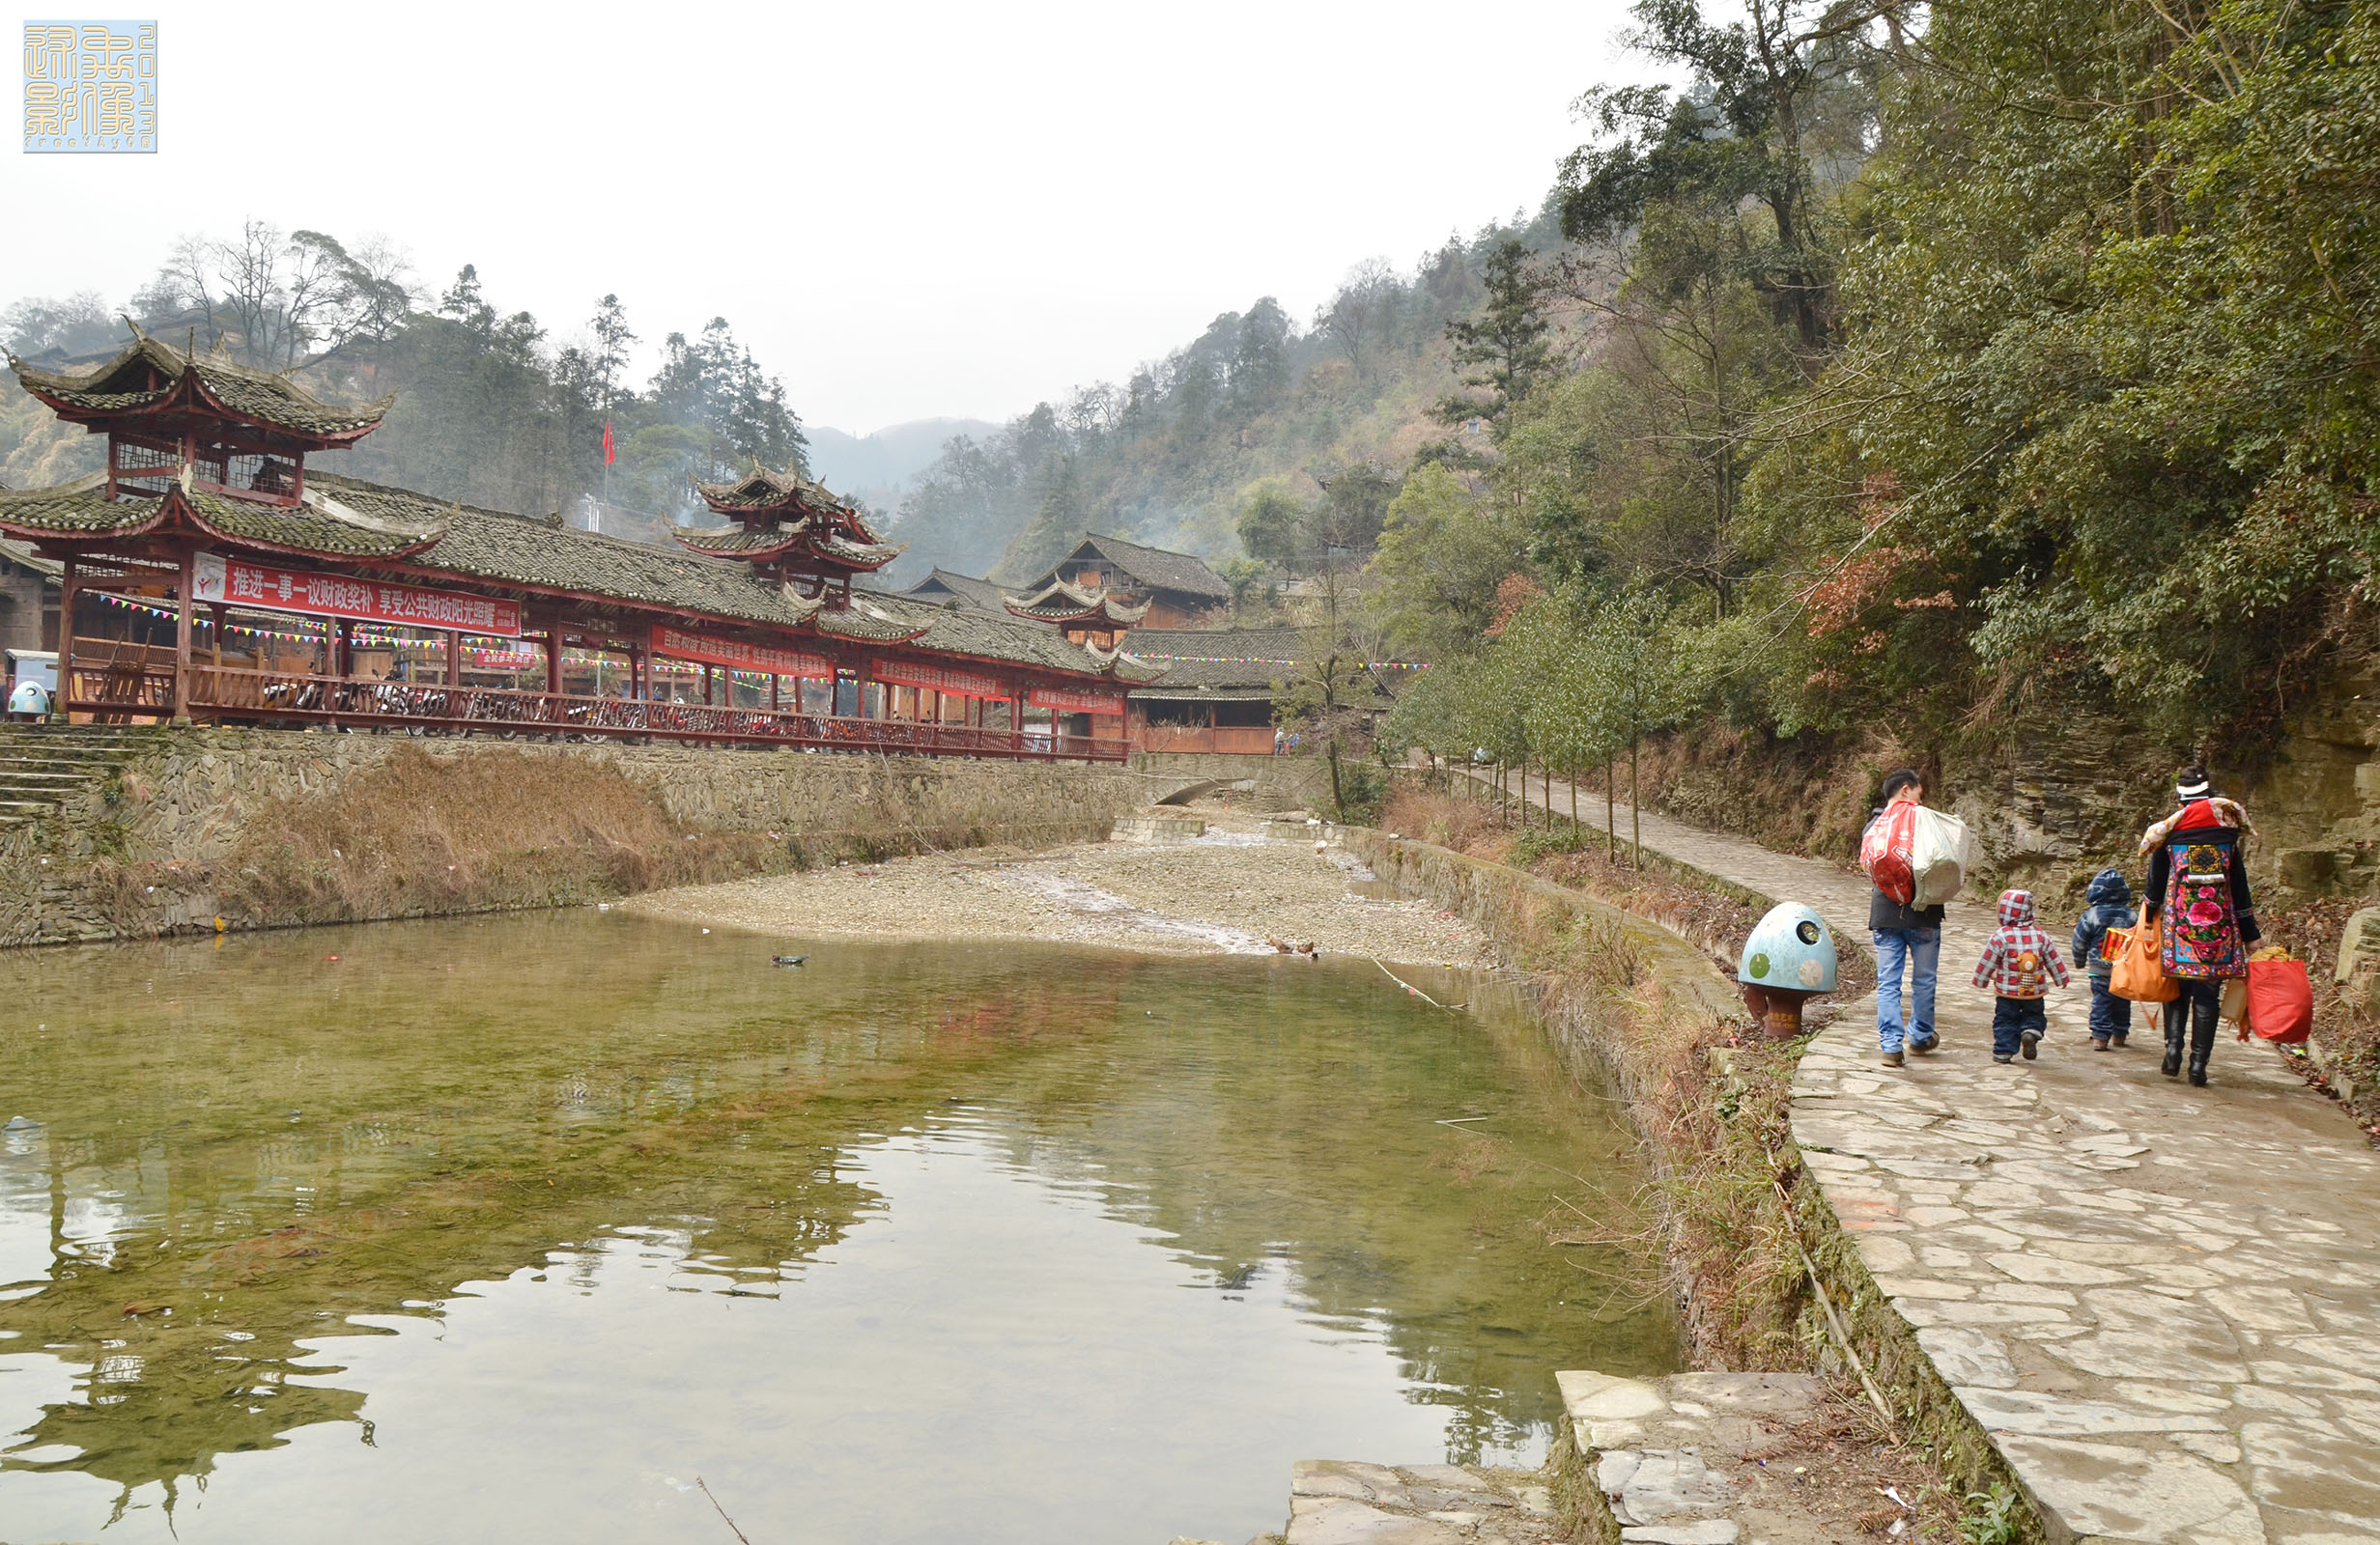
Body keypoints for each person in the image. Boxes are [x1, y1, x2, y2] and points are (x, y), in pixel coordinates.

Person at [2139, 766, 2260, 1086]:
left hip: (2180, 928)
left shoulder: (2169, 835)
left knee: (2177, 990)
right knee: (2207, 995)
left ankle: (2173, 1051)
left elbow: (2154, 886)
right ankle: (2198, 1066)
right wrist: (2251, 935)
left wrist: (2148, 914)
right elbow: (2239, 888)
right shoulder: (2228, 837)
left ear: (2182, 800)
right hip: (2218, 932)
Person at [1865, 768, 1943, 1068]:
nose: (1920, 796)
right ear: (1906, 790)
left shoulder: (1874, 825)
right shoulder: (1924, 819)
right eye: (1918, 790)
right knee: (1924, 981)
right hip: (1925, 913)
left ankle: (1890, 1046)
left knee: (1888, 982)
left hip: (1885, 913)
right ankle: (1921, 1036)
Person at [1972, 888, 2071, 1063]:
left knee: (2005, 1019)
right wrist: (2061, 978)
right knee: (2034, 1015)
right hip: (2035, 991)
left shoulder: (2000, 936)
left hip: (2007, 992)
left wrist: (1981, 979)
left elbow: (1988, 961)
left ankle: (2004, 1051)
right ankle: (2030, 1032)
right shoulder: (2041, 936)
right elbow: (2053, 959)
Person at [2071, 868, 2139, 1052]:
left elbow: (2080, 940)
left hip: (2100, 969)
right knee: (2123, 1002)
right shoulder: (2132, 916)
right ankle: (2120, 1034)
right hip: (2125, 969)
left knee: (2101, 1001)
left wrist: (2079, 961)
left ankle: (2100, 1036)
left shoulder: (2091, 916)